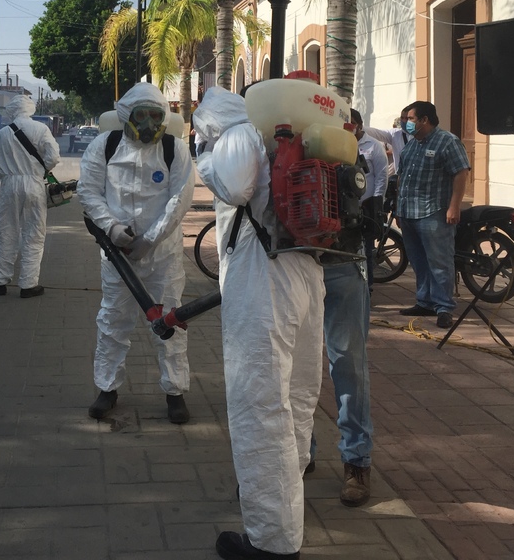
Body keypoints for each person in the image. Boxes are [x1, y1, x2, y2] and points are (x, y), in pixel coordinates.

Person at [193, 86, 325, 560]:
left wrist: (203, 155)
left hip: (262, 277)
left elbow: (234, 188)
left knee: (259, 407)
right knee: (296, 397)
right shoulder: (283, 135)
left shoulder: (237, 136)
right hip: (307, 271)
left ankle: (271, 540)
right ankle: (282, 495)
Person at [78, 83, 194, 424]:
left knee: (169, 323)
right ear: (126, 115)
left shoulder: (174, 149)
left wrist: (150, 240)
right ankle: (107, 388)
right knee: (113, 320)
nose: (148, 124)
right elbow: (88, 190)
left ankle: (175, 392)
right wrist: (111, 227)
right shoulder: (105, 145)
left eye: (155, 116)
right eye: (141, 115)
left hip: (163, 257)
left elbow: (180, 199)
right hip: (117, 257)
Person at [396, 101, 471, 329]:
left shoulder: (447, 141)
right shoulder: (412, 144)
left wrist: (454, 206)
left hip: (433, 213)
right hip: (409, 213)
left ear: (424, 120)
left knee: (439, 262)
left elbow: (461, 173)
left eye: (410, 119)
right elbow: (403, 176)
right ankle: (425, 301)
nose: (406, 123)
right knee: (419, 261)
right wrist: (399, 208)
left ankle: (444, 307)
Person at [0, 95, 60, 298]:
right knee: (34, 234)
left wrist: (9, 175)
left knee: (6, 233)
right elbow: (53, 157)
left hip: (9, 185)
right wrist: (40, 170)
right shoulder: (40, 129)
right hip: (34, 184)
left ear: (12, 110)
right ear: (30, 109)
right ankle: (28, 285)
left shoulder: (2, 133)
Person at [350, 108, 388, 289]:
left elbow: (381, 176)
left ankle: (368, 287)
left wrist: (376, 201)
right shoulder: (341, 143)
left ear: (359, 124)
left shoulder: (373, 146)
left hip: (367, 205)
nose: (348, 126)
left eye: (352, 123)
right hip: (348, 205)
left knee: (367, 249)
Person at [366, 106, 412, 174]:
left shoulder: (422, 136)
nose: (404, 121)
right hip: (400, 176)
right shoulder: (395, 134)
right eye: (402, 118)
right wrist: (358, 127)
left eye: (407, 118)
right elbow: (376, 133)